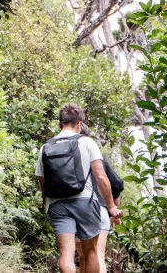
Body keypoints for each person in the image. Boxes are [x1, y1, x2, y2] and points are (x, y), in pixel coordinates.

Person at [36, 104, 123, 273]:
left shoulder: (45, 147)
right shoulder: (86, 142)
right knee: (90, 250)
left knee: (66, 254)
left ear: (59, 124)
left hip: (57, 204)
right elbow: (101, 177)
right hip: (85, 202)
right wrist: (111, 206)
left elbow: (42, 182)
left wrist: (49, 204)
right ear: (79, 123)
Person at [76, 123, 124, 273]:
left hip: (76, 209)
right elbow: (116, 184)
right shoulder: (96, 156)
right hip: (100, 210)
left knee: (83, 256)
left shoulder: (68, 156)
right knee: (97, 254)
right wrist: (114, 212)